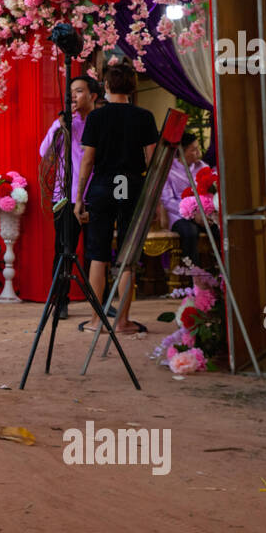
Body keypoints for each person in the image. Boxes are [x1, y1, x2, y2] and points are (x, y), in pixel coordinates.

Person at [74, 61, 158, 336]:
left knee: (98, 255)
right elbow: (152, 160)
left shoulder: (96, 118)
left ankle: (96, 321)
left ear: (106, 86)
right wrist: (153, 199)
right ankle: (123, 322)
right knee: (127, 256)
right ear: (133, 87)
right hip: (131, 187)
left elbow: (87, 161)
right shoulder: (144, 117)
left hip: (103, 187)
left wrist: (79, 197)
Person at [38, 73, 98, 320]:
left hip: (94, 194)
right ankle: (59, 301)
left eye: (80, 91)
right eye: (71, 91)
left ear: (93, 95)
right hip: (65, 196)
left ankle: (100, 302)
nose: (73, 95)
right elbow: (45, 153)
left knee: (97, 251)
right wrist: (59, 125)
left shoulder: (98, 122)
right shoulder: (65, 123)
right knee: (63, 249)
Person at [159, 131, 209, 262]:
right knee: (190, 232)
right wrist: (192, 213)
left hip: (202, 214)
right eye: (194, 150)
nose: (198, 152)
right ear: (182, 152)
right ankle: (193, 274)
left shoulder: (203, 167)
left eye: (198, 148)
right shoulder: (168, 170)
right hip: (178, 216)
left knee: (220, 229)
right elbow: (167, 200)